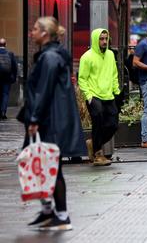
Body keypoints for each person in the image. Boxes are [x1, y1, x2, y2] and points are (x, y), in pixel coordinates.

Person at [22, 17, 86, 231]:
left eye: (34, 29)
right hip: (51, 118)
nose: (31, 33)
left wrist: (34, 119)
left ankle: (61, 214)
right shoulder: (52, 55)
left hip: (50, 120)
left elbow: (44, 90)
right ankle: (50, 210)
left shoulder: (49, 57)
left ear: (44, 33)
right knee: (46, 165)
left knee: (52, 167)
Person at [78, 29, 120, 166]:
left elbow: (114, 74)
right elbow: (82, 79)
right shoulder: (87, 57)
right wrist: (88, 96)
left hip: (109, 95)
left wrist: (116, 91)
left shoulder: (110, 55)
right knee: (98, 121)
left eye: (106, 39)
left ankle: (94, 143)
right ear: (95, 40)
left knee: (113, 125)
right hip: (94, 95)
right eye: (101, 39)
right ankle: (97, 154)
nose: (104, 41)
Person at [0, 38, 18, 120]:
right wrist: (14, 77)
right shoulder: (10, 54)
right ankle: (3, 112)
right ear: (5, 45)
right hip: (7, 77)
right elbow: (14, 67)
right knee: (5, 94)